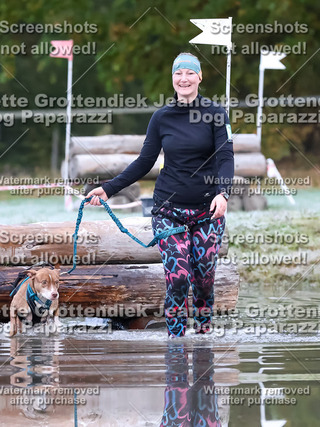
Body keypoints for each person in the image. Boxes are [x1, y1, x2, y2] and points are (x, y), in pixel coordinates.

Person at [86, 53, 234, 337]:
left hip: (207, 210)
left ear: (200, 77)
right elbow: (144, 162)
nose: (184, 79)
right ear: (172, 78)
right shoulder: (161, 117)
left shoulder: (216, 114)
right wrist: (109, 188)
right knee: (179, 277)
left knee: (204, 277)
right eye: (178, 73)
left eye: (190, 73)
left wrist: (223, 193)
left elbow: (226, 157)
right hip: (169, 210)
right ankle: (176, 341)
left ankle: (203, 334)